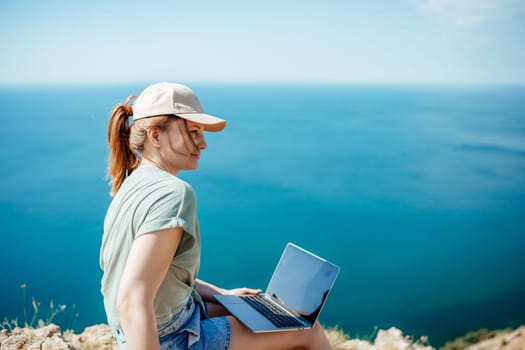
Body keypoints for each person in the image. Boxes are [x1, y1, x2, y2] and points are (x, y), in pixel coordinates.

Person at [100, 82, 332, 350]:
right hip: (167, 338)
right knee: (305, 328)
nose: (204, 143)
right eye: (194, 131)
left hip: (143, 329)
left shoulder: (129, 185)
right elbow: (132, 298)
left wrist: (223, 295)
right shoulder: (174, 193)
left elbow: (157, 274)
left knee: (266, 314)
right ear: (155, 136)